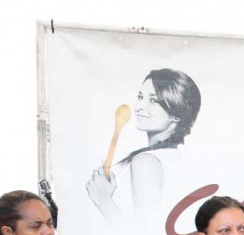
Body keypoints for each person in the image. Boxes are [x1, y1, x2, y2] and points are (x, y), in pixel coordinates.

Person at [86, 68, 202, 225]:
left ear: (177, 113)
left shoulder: (145, 162)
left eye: (153, 100)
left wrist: (104, 201)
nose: (139, 106)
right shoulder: (177, 158)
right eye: (140, 97)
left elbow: (146, 234)